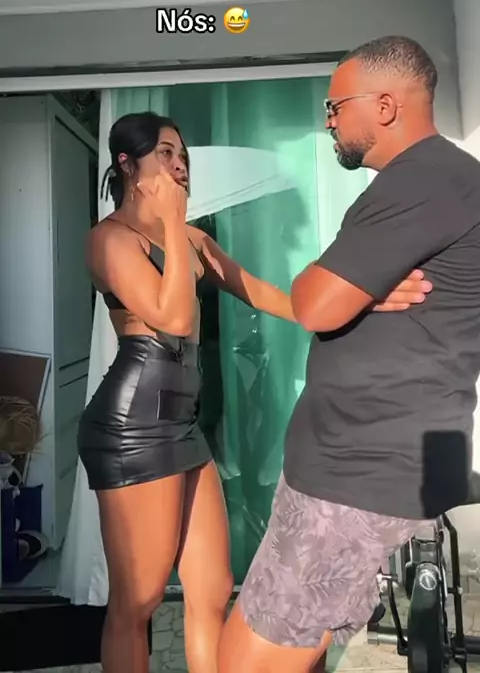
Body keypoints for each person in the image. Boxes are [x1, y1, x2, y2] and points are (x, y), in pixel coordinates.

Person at [78, 110, 432, 673]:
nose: (180, 166)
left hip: (181, 422)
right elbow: (173, 318)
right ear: (126, 164)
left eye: (183, 156)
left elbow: (268, 296)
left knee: (212, 587)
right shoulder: (110, 240)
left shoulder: (192, 240)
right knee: (138, 599)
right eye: (165, 154)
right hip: (132, 429)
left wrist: (366, 299)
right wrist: (171, 221)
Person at [218, 35, 480, 673]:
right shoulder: (443, 182)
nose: (329, 121)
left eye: (336, 107)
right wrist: (362, 288)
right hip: (362, 462)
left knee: (246, 663)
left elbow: (314, 303)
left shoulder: (422, 180)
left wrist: (339, 287)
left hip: (356, 468)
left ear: (385, 106)